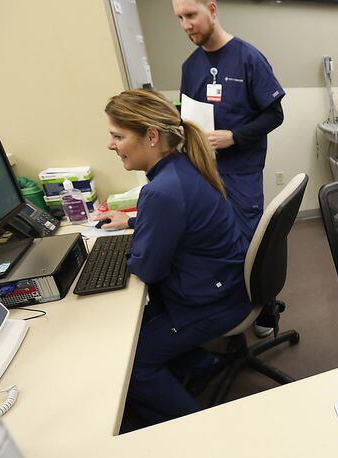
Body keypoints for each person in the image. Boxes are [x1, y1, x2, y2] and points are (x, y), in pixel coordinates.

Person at [95, 89, 252, 426]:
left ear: (151, 137)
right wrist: (137, 222)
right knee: (137, 331)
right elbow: (181, 220)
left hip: (211, 304)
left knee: (131, 365)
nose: (112, 145)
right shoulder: (182, 168)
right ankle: (198, 364)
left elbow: (147, 268)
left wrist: (124, 251)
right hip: (223, 287)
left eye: (118, 136)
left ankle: (199, 429)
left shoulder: (161, 191)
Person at [173, 0, 285, 240]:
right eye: (180, 18)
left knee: (246, 242)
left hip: (241, 174)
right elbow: (186, 118)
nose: (185, 25)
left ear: (212, 10)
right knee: (212, 238)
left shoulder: (249, 58)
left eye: (191, 15)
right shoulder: (190, 67)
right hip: (203, 171)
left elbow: (275, 115)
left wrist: (234, 137)